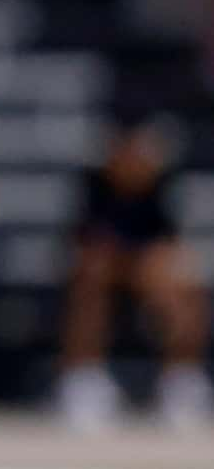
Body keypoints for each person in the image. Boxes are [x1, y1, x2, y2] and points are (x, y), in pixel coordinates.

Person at [57, 109, 210, 433]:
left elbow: (167, 242)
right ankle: (84, 381)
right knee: (90, 278)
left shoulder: (161, 186)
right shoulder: (94, 183)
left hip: (146, 268)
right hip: (105, 269)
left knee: (182, 281)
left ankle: (181, 382)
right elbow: (83, 243)